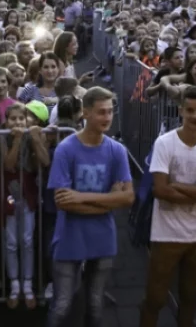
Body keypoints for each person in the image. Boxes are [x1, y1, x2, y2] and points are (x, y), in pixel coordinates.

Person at [47, 86, 134, 327]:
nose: (107, 118)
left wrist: (81, 197)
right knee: (62, 305)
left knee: (95, 305)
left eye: (110, 112)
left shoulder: (117, 150)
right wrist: (108, 201)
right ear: (85, 113)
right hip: (69, 235)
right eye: (101, 112)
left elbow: (128, 198)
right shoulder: (66, 149)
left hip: (103, 238)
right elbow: (63, 202)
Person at [140, 85, 196, 327]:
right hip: (166, 233)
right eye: (190, 111)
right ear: (181, 111)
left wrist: (177, 187)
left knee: (191, 296)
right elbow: (160, 190)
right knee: (155, 298)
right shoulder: (165, 143)